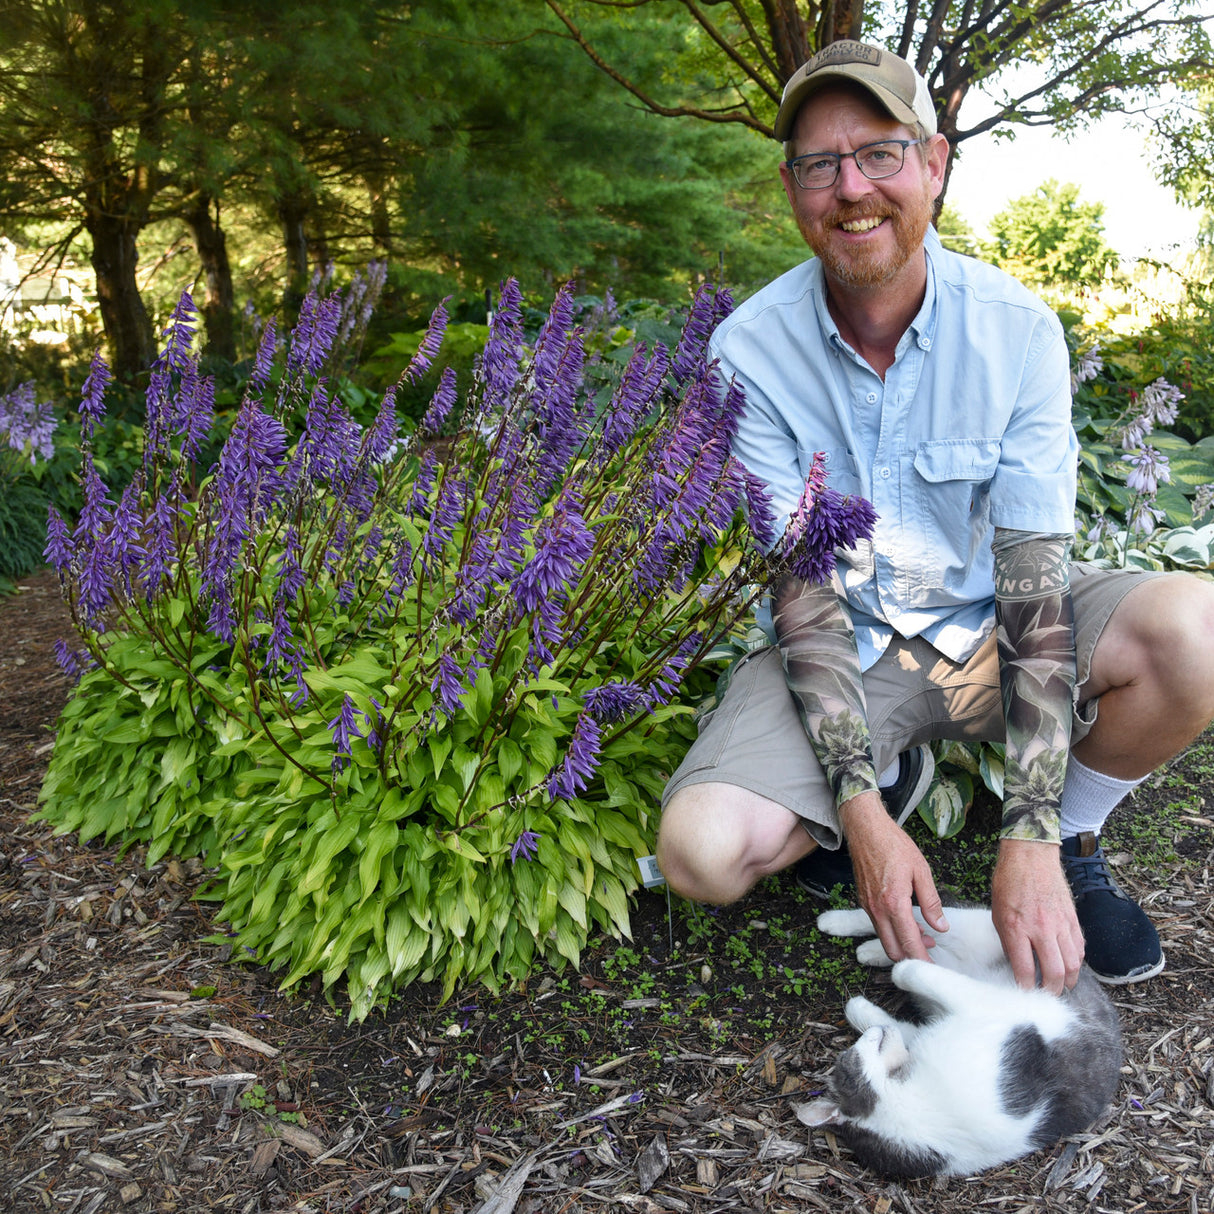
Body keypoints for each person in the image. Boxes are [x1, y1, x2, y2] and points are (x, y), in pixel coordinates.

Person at [655, 39, 1214, 995]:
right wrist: (862, 815)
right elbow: (802, 594)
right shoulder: (747, 353)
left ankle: (1073, 842)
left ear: (935, 164)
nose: (852, 188)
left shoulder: (1017, 332)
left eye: (880, 153)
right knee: (700, 852)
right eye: (819, 164)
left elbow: (1034, 583)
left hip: (992, 634)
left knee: (1198, 633)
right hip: (846, 652)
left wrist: (1029, 833)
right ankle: (887, 779)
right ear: (792, 189)